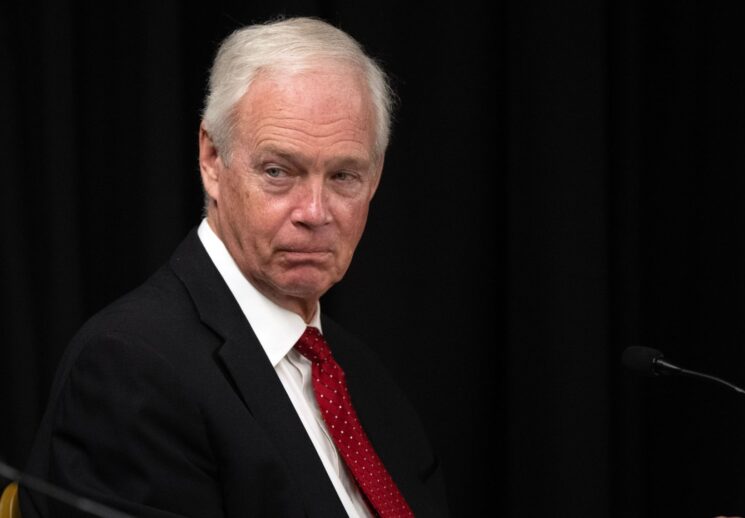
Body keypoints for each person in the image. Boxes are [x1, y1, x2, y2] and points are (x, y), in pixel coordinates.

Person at [21, 17, 450, 518]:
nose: (314, 212)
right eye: (277, 171)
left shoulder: (364, 379)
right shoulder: (131, 368)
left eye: (343, 176)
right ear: (211, 159)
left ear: (375, 179)